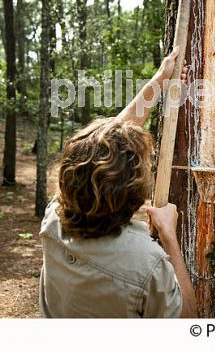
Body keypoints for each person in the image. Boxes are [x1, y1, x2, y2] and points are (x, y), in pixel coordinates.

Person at [39, 47, 197, 318]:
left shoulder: (53, 223)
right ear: (132, 193)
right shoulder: (147, 262)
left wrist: (159, 82)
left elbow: (97, 151)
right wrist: (170, 238)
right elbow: (189, 324)